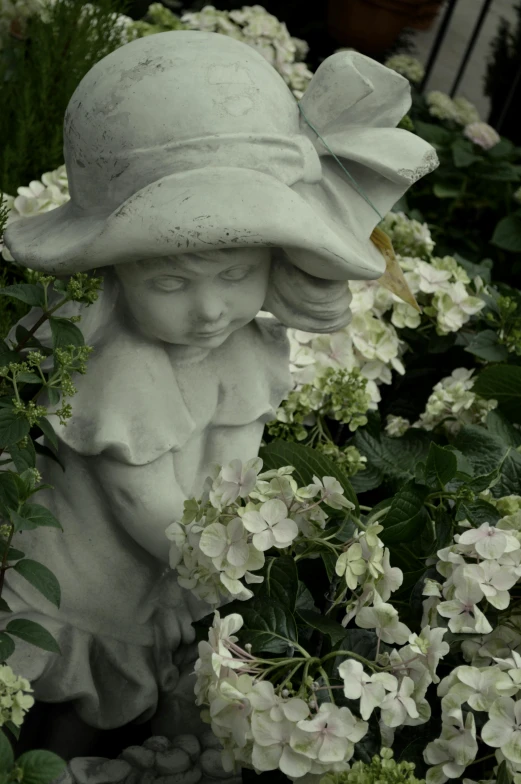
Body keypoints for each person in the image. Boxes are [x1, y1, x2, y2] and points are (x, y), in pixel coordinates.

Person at [0, 29, 437, 754]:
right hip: (88, 576)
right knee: (71, 696)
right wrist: (226, 565)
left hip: (175, 569)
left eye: (235, 276)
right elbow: (140, 501)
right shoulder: (121, 367)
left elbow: (236, 460)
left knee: (126, 700)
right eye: (170, 283)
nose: (208, 310)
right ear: (117, 271)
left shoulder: (246, 350)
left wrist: (246, 533)